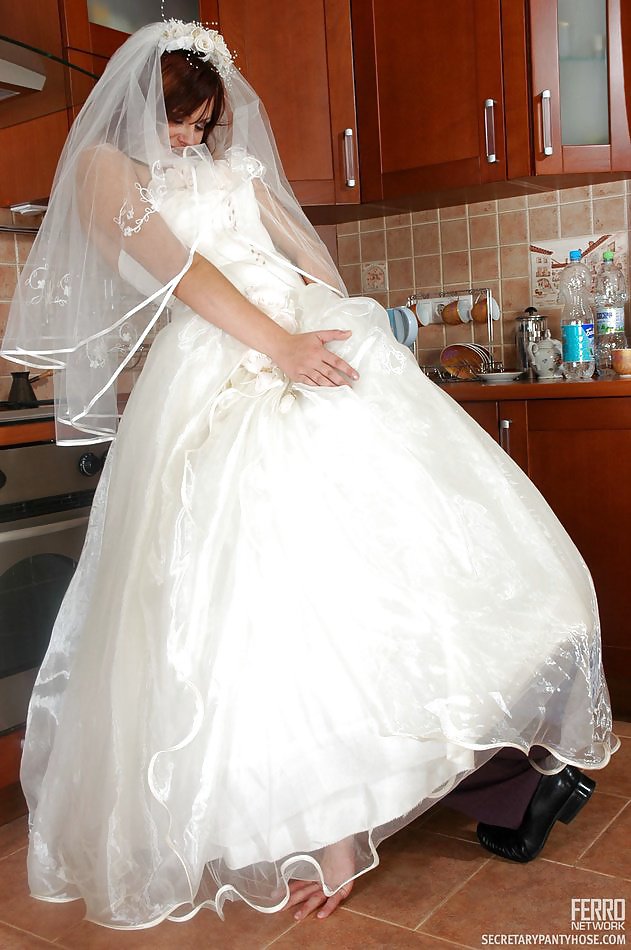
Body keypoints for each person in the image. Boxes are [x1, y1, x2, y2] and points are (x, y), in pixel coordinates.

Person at [1, 19, 618, 931]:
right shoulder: (100, 170)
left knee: (390, 565)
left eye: (202, 124)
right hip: (224, 360)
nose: (192, 140)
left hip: (306, 345)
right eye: (181, 121)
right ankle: (349, 822)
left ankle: (498, 768)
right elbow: (183, 273)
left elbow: (304, 251)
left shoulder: (233, 167)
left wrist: (344, 328)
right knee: (268, 589)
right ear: (138, 106)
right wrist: (279, 346)